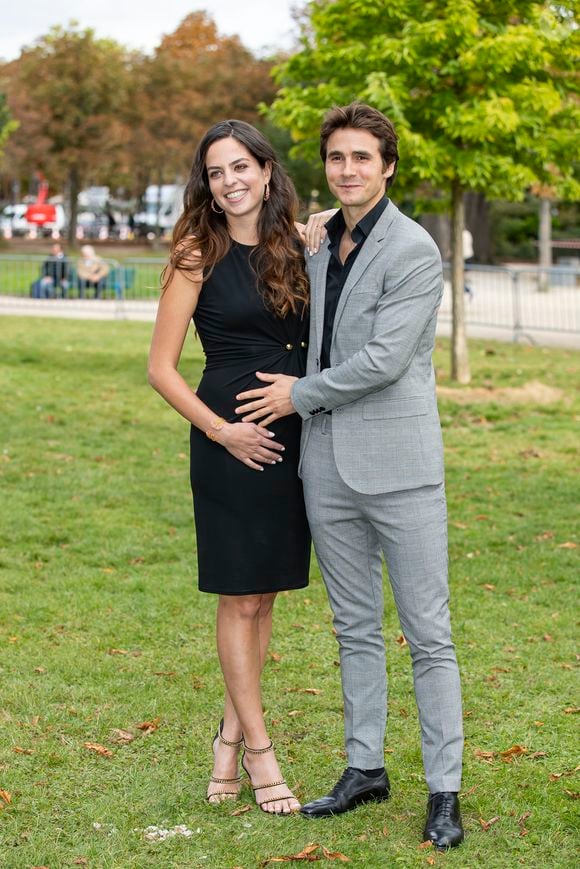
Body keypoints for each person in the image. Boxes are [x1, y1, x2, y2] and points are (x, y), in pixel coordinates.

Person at [235, 103, 464, 848]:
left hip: (400, 467)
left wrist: (295, 393)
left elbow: (385, 361)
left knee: (428, 634)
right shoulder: (321, 238)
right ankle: (364, 766)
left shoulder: (416, 250)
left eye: (363, 157)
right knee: (354, 628)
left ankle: (444, 788)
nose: (349, 169)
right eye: (337, 158)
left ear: (388, 165)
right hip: (324, 466)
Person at [147, 120, 311, 815]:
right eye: (216, 172)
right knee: (238, 593)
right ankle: (259, 751)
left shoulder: (298, 245)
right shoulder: (196, 254)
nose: (230, 180)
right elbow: (160, 369)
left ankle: (227, 732)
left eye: (241, 166)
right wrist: (222, 433)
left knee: (264, 592)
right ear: (206, 187)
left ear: (267, 171)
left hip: (294, 438)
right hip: (228, 439)